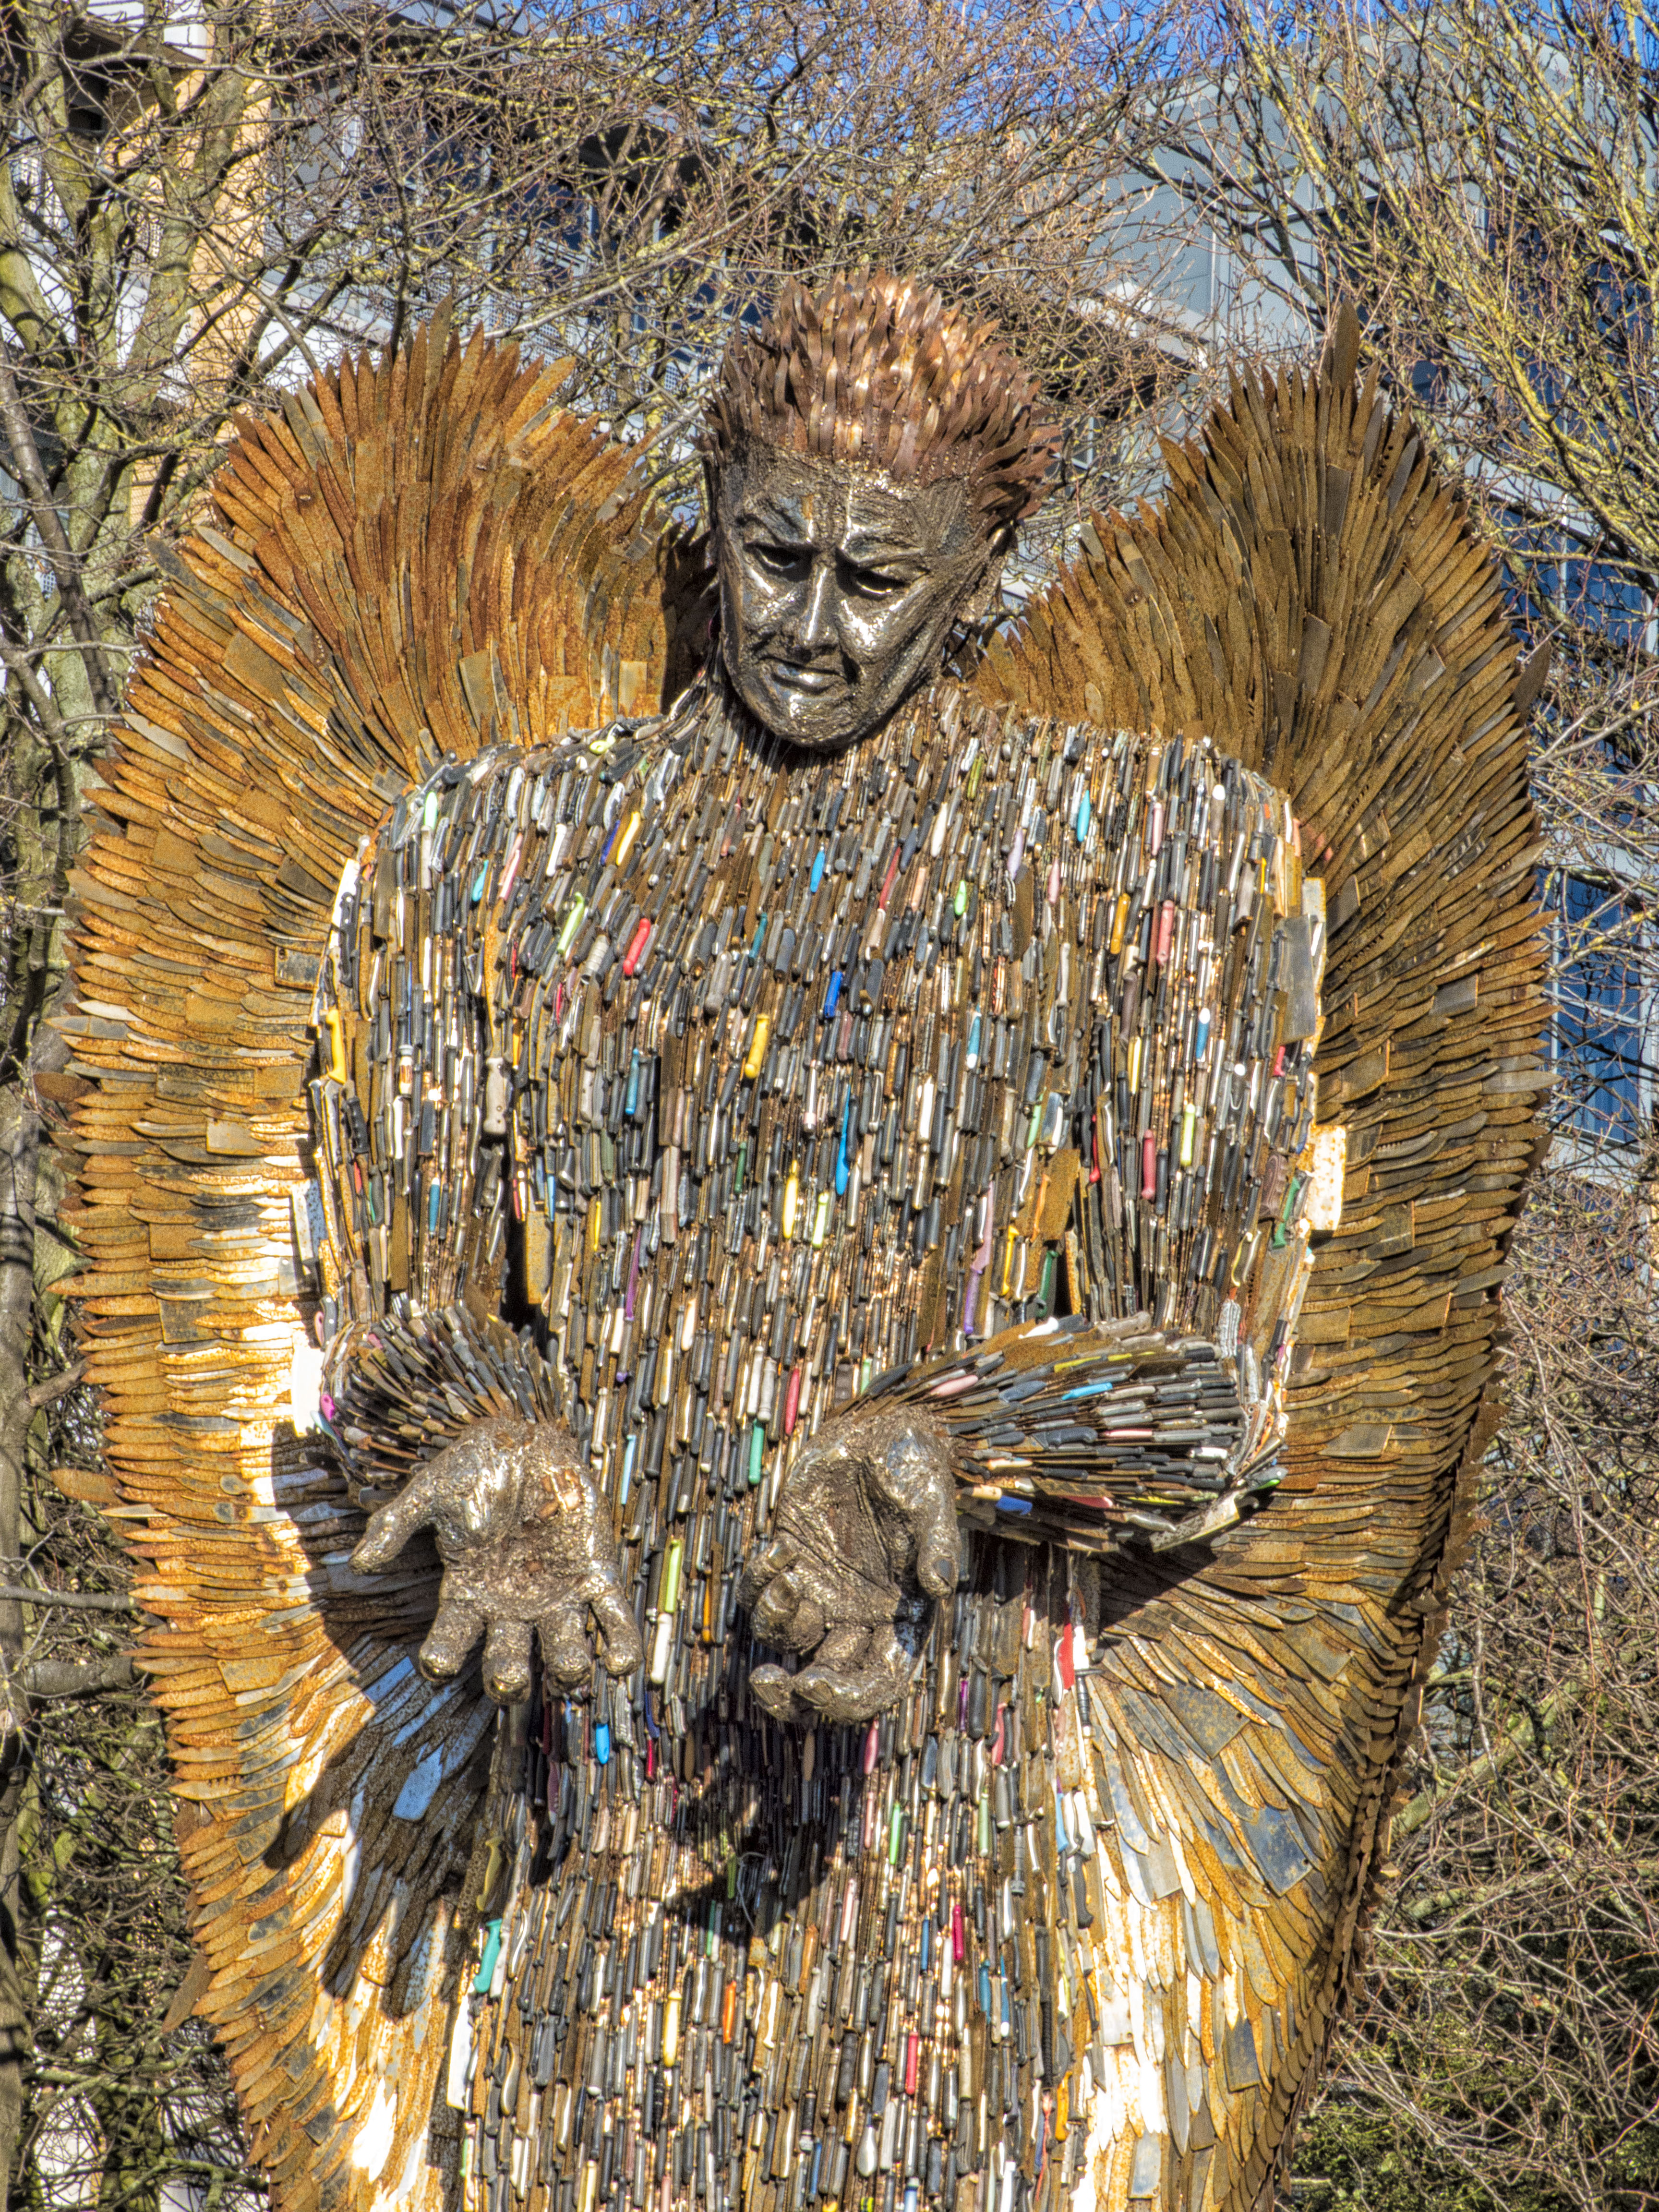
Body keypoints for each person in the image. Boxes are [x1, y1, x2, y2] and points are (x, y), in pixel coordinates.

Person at [303, 274, 1331, 2212]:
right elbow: (385, 1298)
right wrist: (473, 1431)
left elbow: (1217, 1389)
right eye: (776, 553)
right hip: (590, 1853)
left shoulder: (1148, 860)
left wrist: (943, 1445)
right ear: (717, 508)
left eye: (881, 581)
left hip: (940, 1862)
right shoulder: (487, 855)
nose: (811, 627)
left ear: (985, 580)